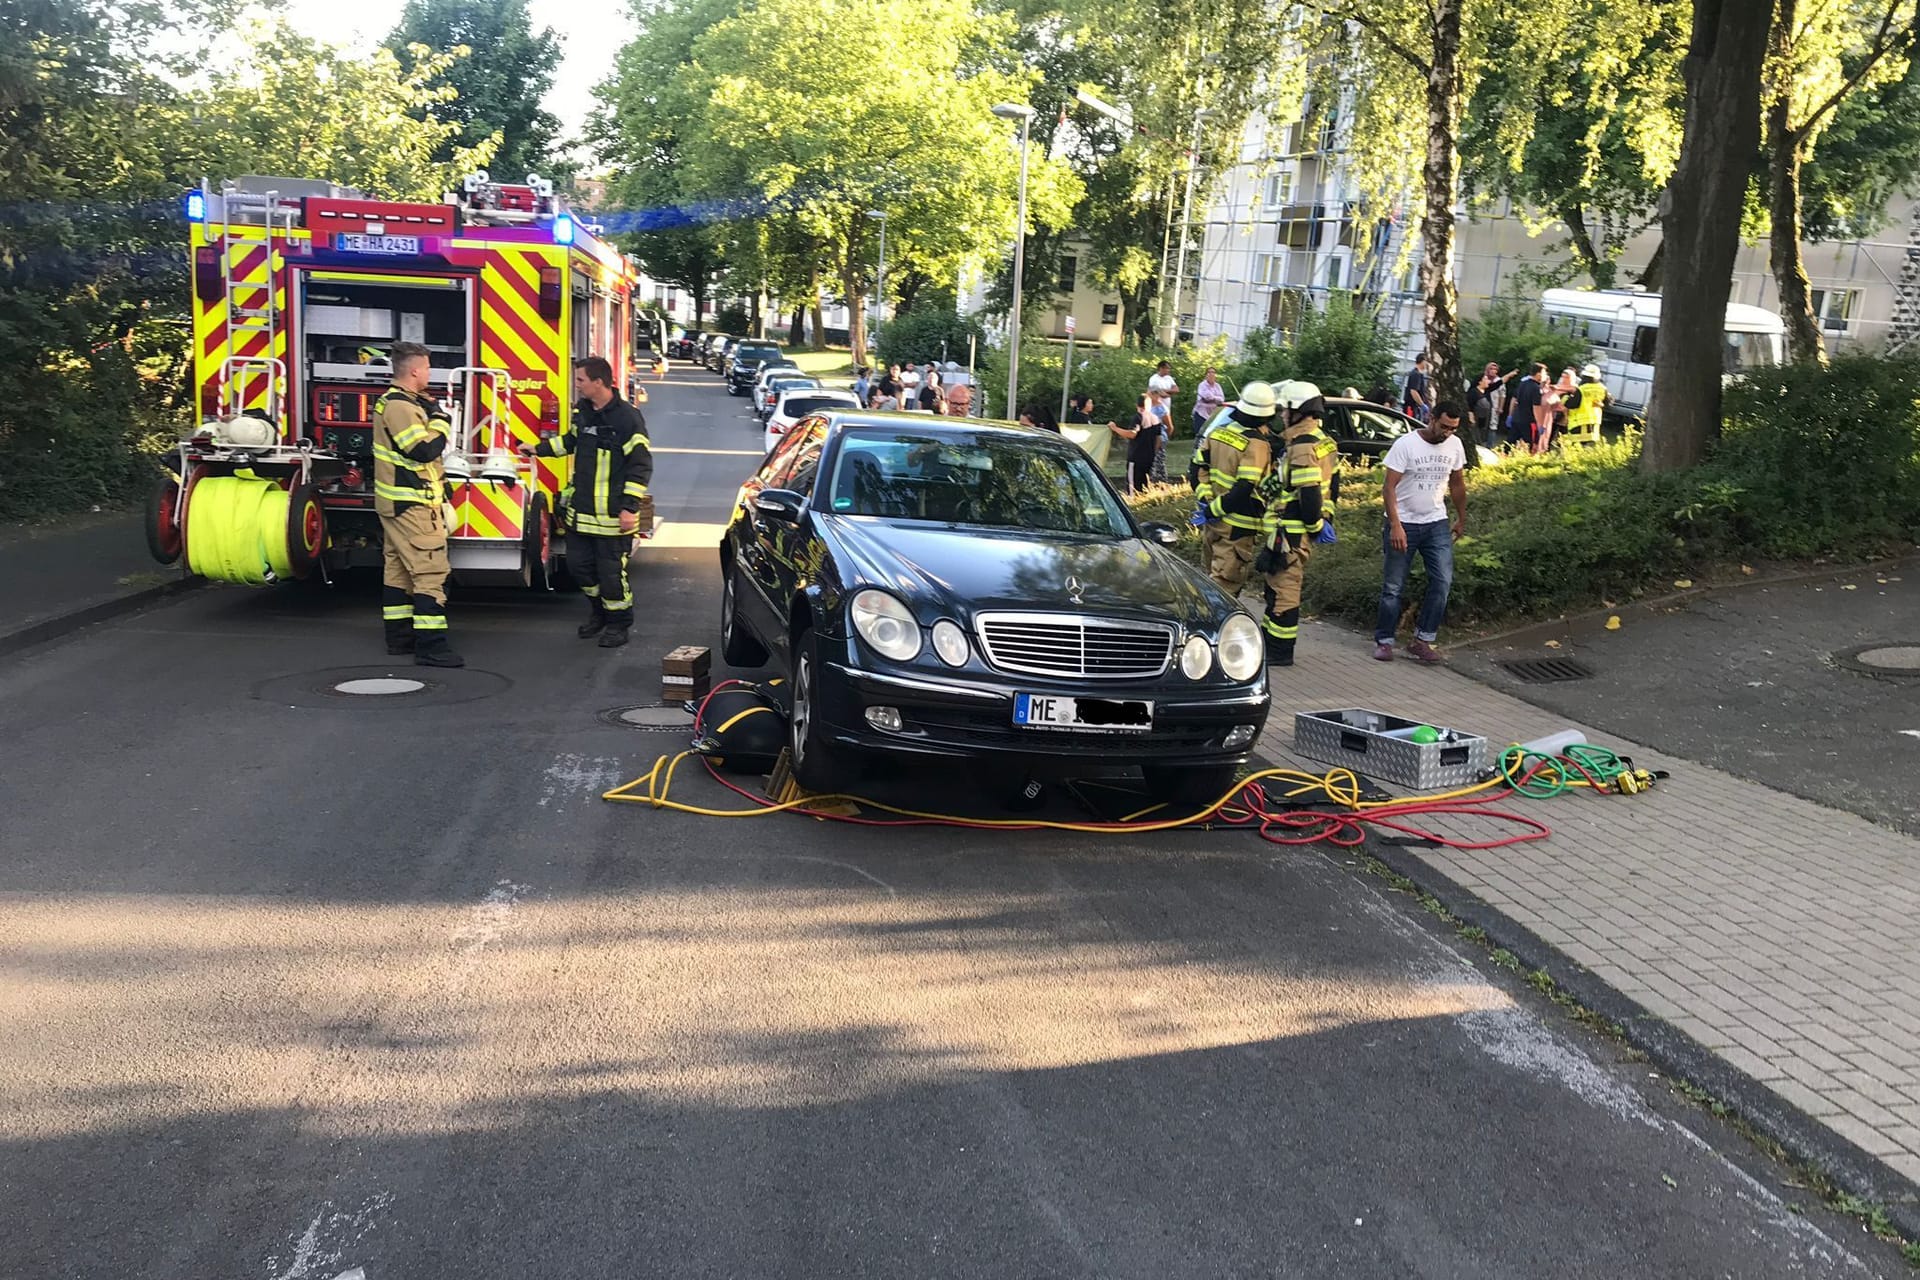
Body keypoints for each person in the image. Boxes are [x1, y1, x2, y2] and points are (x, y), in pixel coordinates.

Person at [522, 356, 653, 649]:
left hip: (610, 516)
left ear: (599, 382)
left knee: (610, 574)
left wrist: (630, 507)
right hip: (580, 513)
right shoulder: (583, 411)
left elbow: (641, 465)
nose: (576, 385)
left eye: (580, 380)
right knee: (579, 568)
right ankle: (599, 613)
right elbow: (569, 442)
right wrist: (538, 449)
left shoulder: (627, 419)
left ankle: (618, 624)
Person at [373, 341, 463, 668]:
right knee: (430, 572)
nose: (428, 373)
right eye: (426, 368)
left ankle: (399, 639)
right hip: (410, 505)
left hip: (398, 503)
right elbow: (421, 450)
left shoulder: (399, 403)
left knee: (397, 571)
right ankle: (432, 647)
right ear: (414, 370)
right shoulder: (400, 406)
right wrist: (441, 419)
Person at [1374, 401, 1467, 665]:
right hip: (1403, 522)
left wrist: (1461, 517)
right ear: (1432, 418)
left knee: (1442, 581)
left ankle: (1422, 640)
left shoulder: (1455, 445)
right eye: (1444, 426)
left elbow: (1457, 483)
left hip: (1436, 522)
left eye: (1453, 429)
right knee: (1393, 586)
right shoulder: (1406, 444)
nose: (1447, 433)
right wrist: (1395, 525)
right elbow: (1389, 487)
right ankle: (1384, 641)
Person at [1253, 380, 1337, 665]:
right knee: (1276, 589)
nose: (1281, 415)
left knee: (1283, 592)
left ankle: (1279, 651)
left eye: (1285, 410)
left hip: (1291, 532)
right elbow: (1332, 485)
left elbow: (1310, 493)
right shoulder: (1321, 440)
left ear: (1298, 411)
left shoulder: (1302, 447)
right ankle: (1272, 643)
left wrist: (1313, 525)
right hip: (1294, 530)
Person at [1190, 380, 1280, 609]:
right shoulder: (1256, 444)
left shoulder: (1218, 433)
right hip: (1237, 529)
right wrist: (1216, 509)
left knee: (1208, 583)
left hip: (1212, 525)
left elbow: (1197, 470)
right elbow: (1244, 488)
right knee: (1223, 592)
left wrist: (1206, 501)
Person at [1562, 363, 1609, 446]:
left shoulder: (1582, 389)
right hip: (1594, 424)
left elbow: (1571, 404)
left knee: (1575, 449)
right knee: (1586, 449)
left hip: (1579, 424)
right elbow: (1608, 403)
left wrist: (1565, 396)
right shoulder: (1603, 388)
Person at [1123, 394, 1159, 494]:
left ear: (1137, 405)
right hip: (1149, 457)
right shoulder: (1155, 418)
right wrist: (1153, 451)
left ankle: (1133, 502)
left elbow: (1132, 434)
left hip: (1136, 457)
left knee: (1133, 486)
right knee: (1145, 484)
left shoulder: (1138, 417)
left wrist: (1115, 429)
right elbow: (1158, 438)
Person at [1505, 363, 1547, 447]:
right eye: (1544, 373)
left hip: (1516, 418)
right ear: (1539, 373)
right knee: (1531, 446)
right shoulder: (1536, 388)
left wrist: (1510, 415)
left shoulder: (1522, 384)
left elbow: (1514, 399)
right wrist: (1540, 425)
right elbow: (1536, 408)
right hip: (1529, 421)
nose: (1545, 375)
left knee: (1509, 445)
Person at [1193, 367, 1227, 435]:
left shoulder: (1217, 386)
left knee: (1211, 434)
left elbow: (1222, 399)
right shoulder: (1202, 385)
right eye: (1209, 372)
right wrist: (1216, 399)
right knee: (1200, 434)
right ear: (1206, 375)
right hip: (1201, 413)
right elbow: (1207, 397)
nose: (1211, 374)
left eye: (1213, 372)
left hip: (1213, 414)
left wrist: (1213, 398)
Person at [1402, 352, 1432, 423]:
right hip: (1411, 407)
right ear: (1423, 361)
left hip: (1413, 407)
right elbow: (1414, 391)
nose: (1427, 364)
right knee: (1411, 424)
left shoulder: (1416, 374)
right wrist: (1422, 404)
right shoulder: (1416, 375)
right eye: (1426, 362)